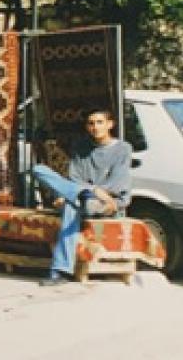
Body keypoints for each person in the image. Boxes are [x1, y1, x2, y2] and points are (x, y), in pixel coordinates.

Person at [32, 108, 133, 286]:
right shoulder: (81, 147)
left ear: (110, 124)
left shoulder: (122, 149)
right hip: (84, 197)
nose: (95, 127)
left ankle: (60, 271)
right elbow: (74, 178)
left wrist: (87, 192)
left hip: (109, 201)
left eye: (100, 122)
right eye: (91, 123)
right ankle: (77, 196)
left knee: (74, 204)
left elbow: (117, 184)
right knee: (38, 170)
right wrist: (87, 190)